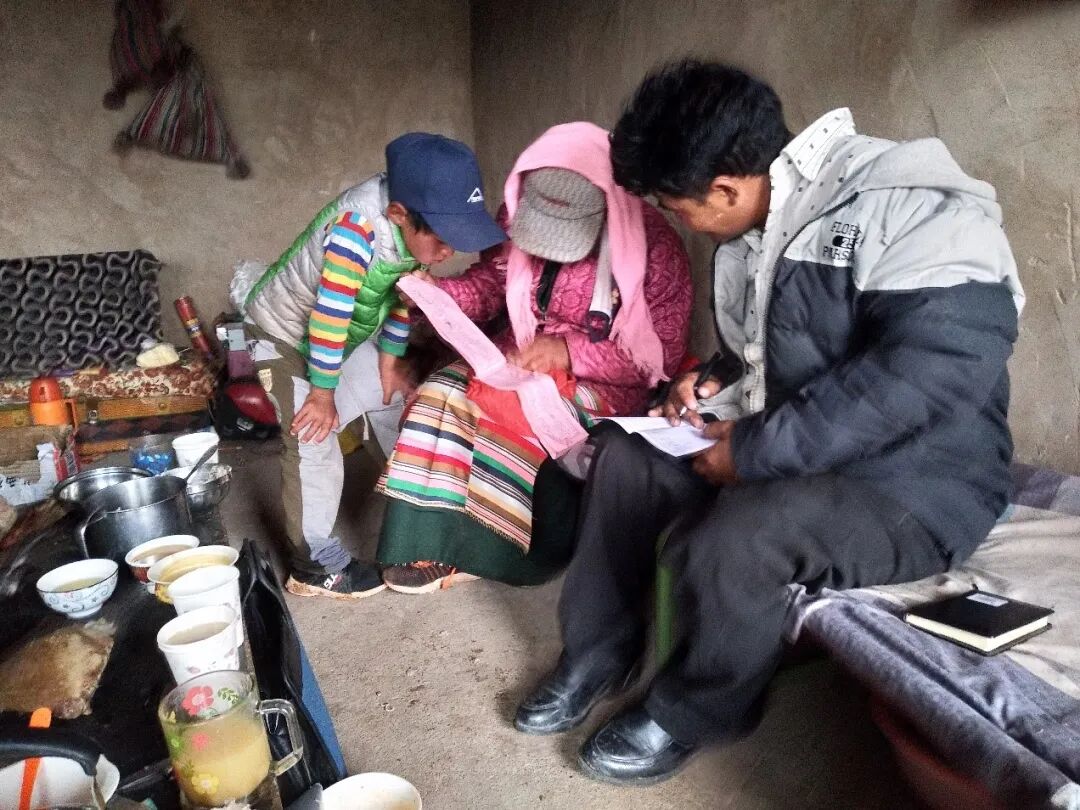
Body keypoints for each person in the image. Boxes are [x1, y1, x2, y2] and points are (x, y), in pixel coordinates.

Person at [515, 60, 1024, 785]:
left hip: (918, 483)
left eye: (678, 208)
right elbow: (786, 348)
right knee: (625, 459)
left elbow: (929, 374)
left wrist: (755, 450)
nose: (682, 223)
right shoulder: (762, 226)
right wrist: (714, 381)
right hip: (804, 446)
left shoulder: (914, 208)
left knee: (738, 537)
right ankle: (598, 653)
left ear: (725, 187)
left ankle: (696, 708)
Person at [375, 122, 693, 593]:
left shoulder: (654, 247)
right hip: (518, 354)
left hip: (604, 381)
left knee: (515, 417)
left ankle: (500, 552)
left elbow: (659, 356)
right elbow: (493, 284)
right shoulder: (516, 214)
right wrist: (442, 295)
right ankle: (427, 541)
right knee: (440, 394)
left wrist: (567, 351)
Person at [236, 133, 505, 600]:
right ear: (398, 214)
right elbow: (329, 316)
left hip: (340, 336)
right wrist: (322, 394)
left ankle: (419, 518)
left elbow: (399, 298)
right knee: (313, 435)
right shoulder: (354, 233)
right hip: (284, 335)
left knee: (394, 399)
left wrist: (389, 361)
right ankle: (314, 565)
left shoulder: (411, 233)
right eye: (442, 239)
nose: (449, 252)